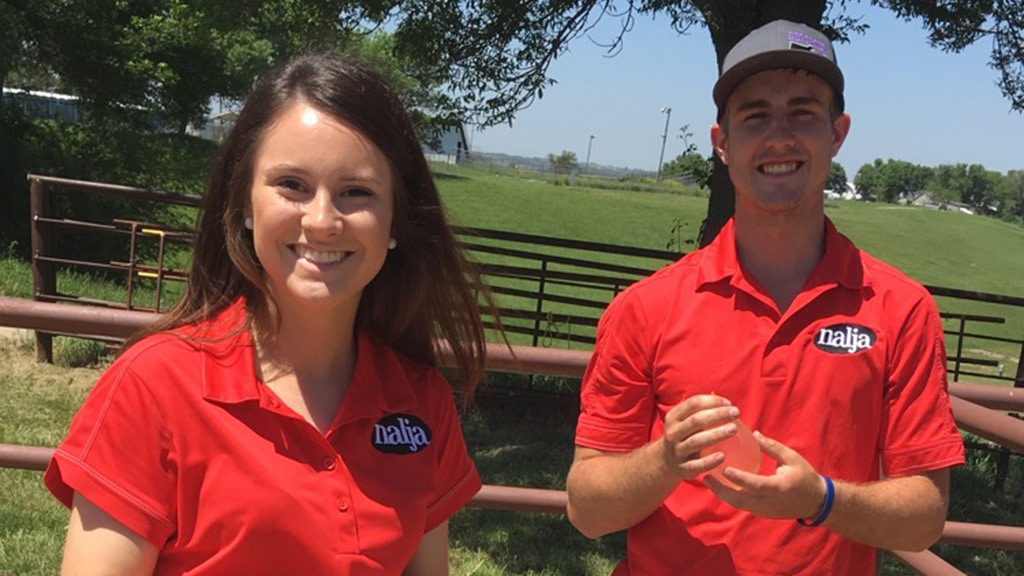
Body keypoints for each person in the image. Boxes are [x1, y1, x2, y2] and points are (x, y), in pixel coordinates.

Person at [44, 53, 494, 575]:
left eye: (357, 192)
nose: (323, 220)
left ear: (396, 219)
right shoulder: (154, 385)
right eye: (292, 185)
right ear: (244, 206)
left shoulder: (422, 403)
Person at [565, 19, 965, 575]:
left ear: (838, 133)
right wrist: (664, 460)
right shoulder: (645, 308)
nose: (780, 136)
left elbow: (924, 517)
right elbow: (586, 510)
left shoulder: (901, 309)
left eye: (803, 111)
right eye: (754, 116)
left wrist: (820, 500)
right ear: (722, 143)